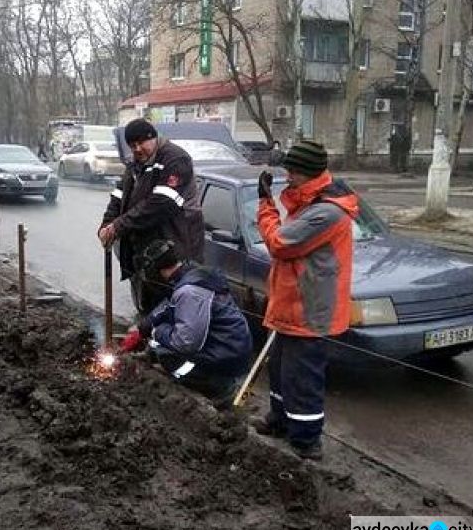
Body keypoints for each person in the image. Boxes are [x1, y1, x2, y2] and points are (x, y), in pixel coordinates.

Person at [255, 140, 358, 460]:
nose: (287, 176)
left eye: (291, 171)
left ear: (308, 173)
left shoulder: (327, 212)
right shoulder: (310, 200)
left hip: (309, 311)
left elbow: (280, 243)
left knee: (303, 379)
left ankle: (306, 440)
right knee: (282, 370)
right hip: (292, 305)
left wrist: (265, 204)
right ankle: (280, 420)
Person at [120, 239, 252, 408]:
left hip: (225, 357)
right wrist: (143, 327)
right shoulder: (189, 275)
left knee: (167, 355)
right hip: (225, 348)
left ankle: (220, 389)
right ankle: (155, 355)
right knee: (159, 341)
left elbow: (186, 343)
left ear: (155, 268)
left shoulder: (189, 292)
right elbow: (169, 306)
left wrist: (156, 332)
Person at [98, 118, 205, 314]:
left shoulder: (175, 159)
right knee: (148, 308)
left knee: (176, 309)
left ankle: (165, 342)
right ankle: (148, 339)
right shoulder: (134, 166)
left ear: (154, 138)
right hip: (147, 253)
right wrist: (107, 225)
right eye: (132, 145)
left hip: (176, 249)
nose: (137, 149)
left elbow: (161, 204)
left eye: (141, 143)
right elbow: (118, 198)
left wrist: (119, 226)